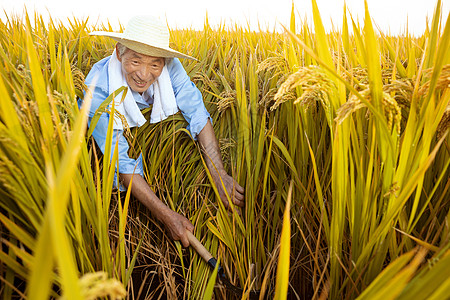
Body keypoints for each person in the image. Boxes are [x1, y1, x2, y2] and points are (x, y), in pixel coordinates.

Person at [82, 15, 244, 248]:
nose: (144, 74)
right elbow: (120, 160)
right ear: (119, 52)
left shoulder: (171, 68)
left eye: (154, 64)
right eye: (135, 61)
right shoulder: (98, 89)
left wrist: (218, 173)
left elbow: (197, 113)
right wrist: (165, 214)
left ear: (163, 62)